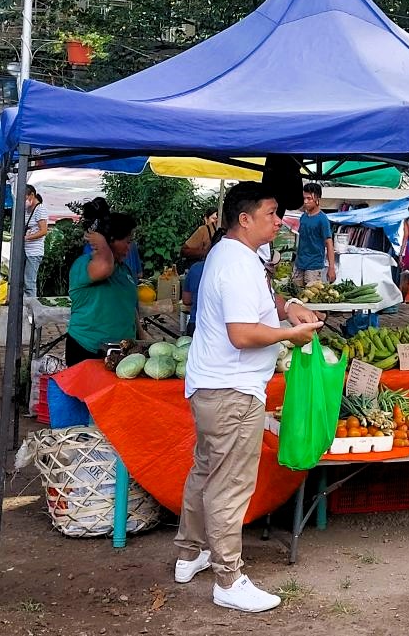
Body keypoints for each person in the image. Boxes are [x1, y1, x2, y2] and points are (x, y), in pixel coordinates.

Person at [174, 182, 323, 611]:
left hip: (211, 385)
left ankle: (190, 553)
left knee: (205, 472)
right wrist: (290, 334)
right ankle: (228, 578)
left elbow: (256, 304)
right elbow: (241, 334)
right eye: (272, 213)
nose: (279, 221)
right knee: (229, 484)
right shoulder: (237, 264)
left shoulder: (231, 253)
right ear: (245, 218)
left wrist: (287, 304)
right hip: (232, 391)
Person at [66, 208, 141, 366]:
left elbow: (127, 304)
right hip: (87, 349)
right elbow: (105, 267)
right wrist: (100, 239)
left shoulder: (123, 269)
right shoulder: (85, 265)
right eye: (127, 242)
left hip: (120, 351)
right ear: (111, 240)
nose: (129, 248)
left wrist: (141, 332)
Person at [292, 184, 337, 285]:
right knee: (295, 296)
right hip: (299, 264)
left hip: (314, 266)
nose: (305, 201)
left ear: (317, 198)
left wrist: (331, 268)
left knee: (311, 297)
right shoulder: (303, 217)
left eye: (309, 198)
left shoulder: (323, 219)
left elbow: (329, 244)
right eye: (304, 198)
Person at [20, 186, 50, 300]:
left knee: (29, 282)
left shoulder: (40, 209)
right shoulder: (27, 209)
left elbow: (43, 231)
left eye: (25, 198)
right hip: (25, 250)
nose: (24, 201)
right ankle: (23, 305)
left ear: (32, 195)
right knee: (23, 281)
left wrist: (26, 238)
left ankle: (31, 308)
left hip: (34, 251)